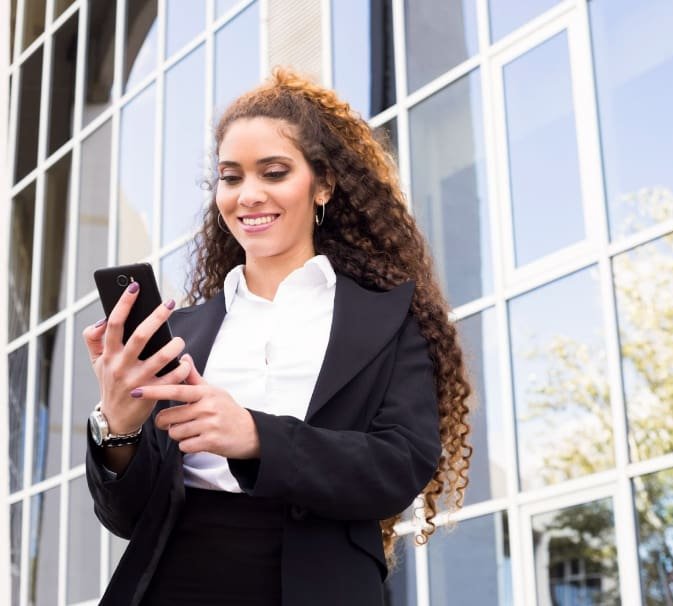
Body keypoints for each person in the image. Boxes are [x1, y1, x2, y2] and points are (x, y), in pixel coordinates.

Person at [82, 66, 472, 605]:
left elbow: (400, 465)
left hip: (322, 585)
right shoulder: (185, 334)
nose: (248, 195)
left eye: (273, 172)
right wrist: (118, 427)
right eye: (231, 176)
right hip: (174, 582)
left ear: (324, 184)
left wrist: (257, 437)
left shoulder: (386, 320)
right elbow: (128, 517)